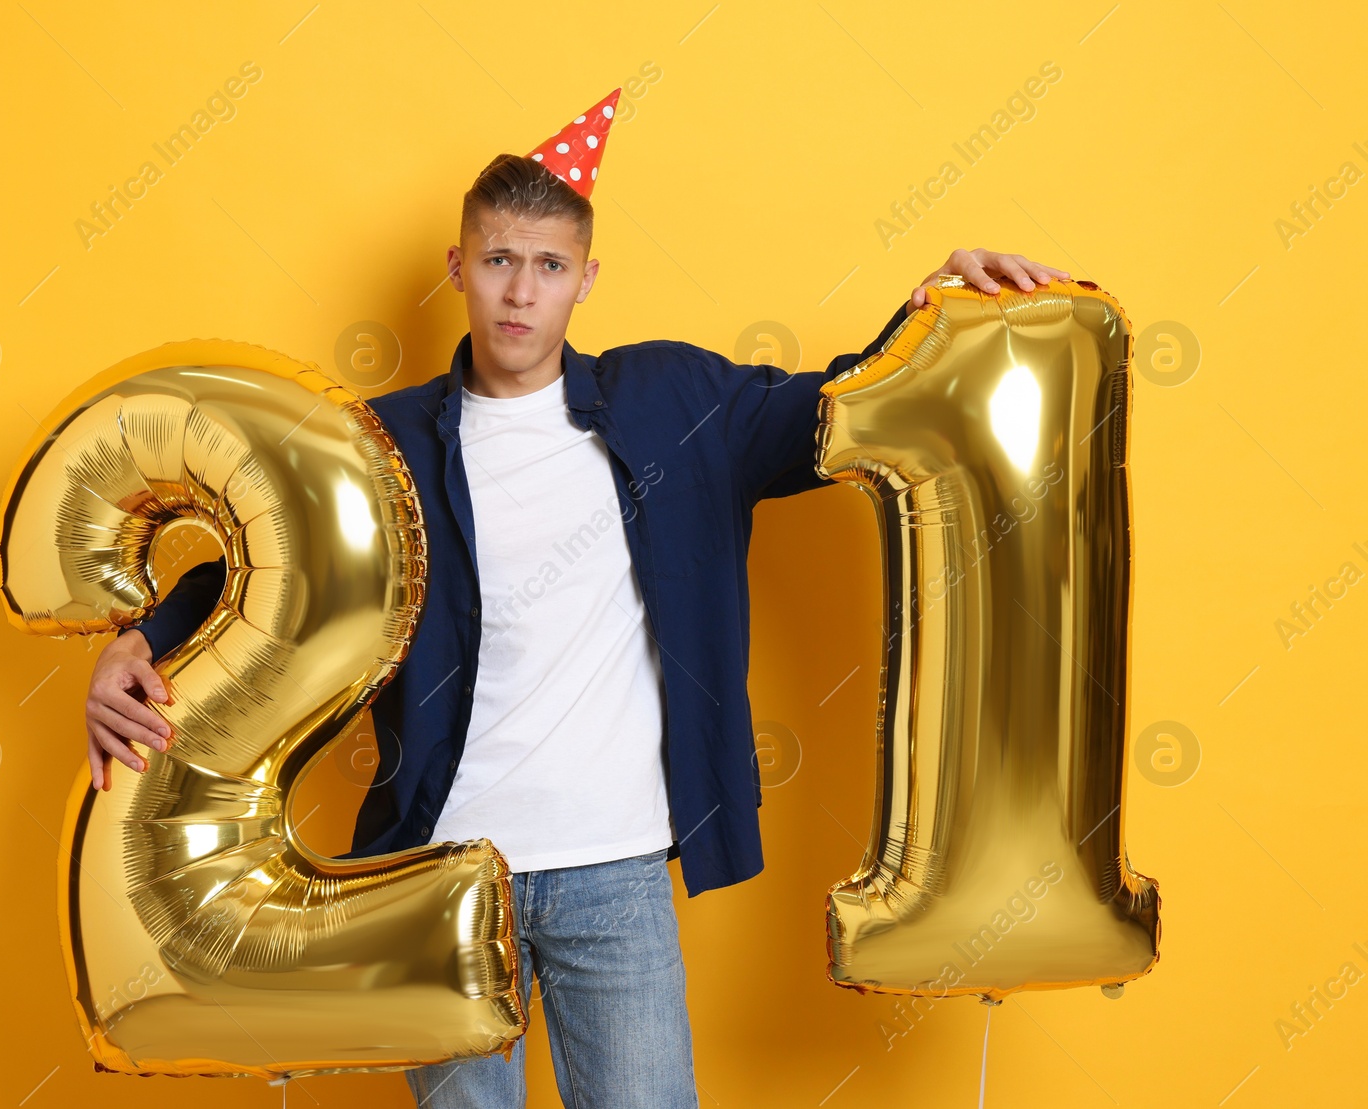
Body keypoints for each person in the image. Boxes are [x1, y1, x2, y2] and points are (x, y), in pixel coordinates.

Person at [81, 87, 1071, 1108]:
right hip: (439, 873)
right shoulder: (376, 446)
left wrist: (929, 308)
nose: (520, 292)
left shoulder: (675, 402)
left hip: (616, 867)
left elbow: (836, 412)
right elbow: (260, 564)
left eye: (548, 267)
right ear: (459, 268)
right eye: (499, 261)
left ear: (584, 280)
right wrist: (138, 634)